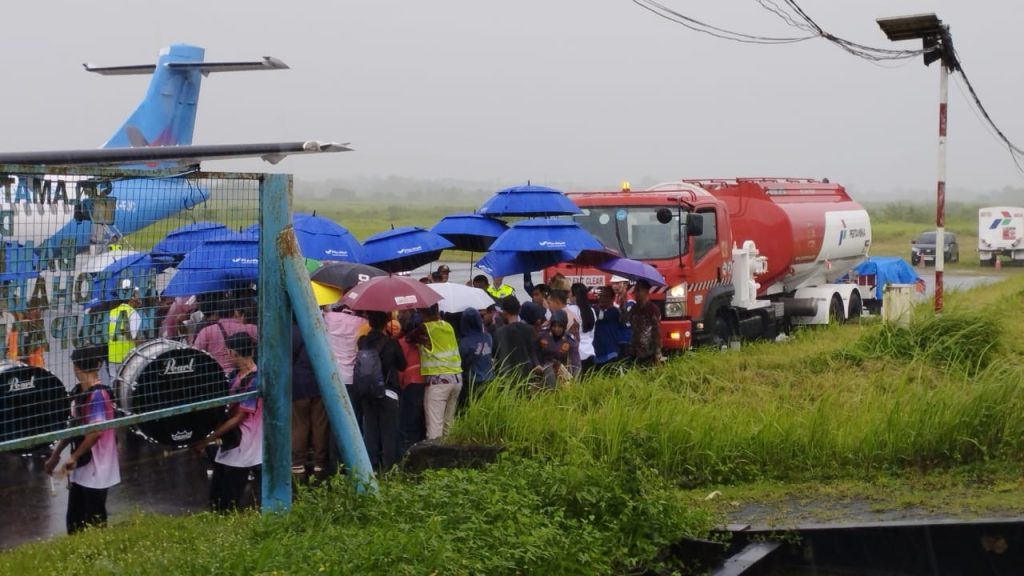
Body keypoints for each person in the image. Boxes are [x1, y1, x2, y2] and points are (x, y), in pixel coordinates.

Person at [45, 346, 120, 534]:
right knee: (74, 521)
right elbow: (74, 426)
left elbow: (95, 432)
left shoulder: (98, 396)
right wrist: (56, 454)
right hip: (82, 468)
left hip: (98, 468)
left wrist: (73, 457)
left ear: (76, 368)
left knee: (94, 521)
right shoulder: (79, 393)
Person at [193, 332, 262, 512]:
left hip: (245, 442)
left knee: (230, 491)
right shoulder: (235, 375)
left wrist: (207, 439)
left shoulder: (254, 380)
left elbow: (239, 417)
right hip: (235, 441)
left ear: (233, 353)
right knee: (221, 486)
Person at [358, 311, 406, 472]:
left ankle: (370, 467)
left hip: (367, 391)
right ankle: (389, 468)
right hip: (388, 391)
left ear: (369, 322)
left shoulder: (362, 341)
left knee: (370, 431)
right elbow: (402, 365)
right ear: (386, 322)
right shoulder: (391, 343)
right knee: (389, 432)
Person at [407, 304, 462, 440]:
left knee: (435, 425)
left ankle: (434, 457)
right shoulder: (448, 326)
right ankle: (451, 455)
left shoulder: (425, 328)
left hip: (439, 382)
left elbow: (409, 338)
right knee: (448, 423)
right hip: (456, 379)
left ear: (423, 314)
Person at [291, 322, 328, 479]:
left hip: (298, 383)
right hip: (320, 381)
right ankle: (320, 463)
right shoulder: (322, 327)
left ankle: (298, 463)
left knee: (300, 424)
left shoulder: (292, 331)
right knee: (320, 424)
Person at [193, 293, 258, 375]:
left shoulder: (206, 331)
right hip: (245, 374)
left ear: (218, 313)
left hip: (217, 376)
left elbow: (195, 354)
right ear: (235, 312)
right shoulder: (250, 328)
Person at [397, 311, 426, 454]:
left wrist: (400, 384)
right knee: (419, 419)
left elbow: (401, 368)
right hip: (424, 381)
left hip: (410, 384)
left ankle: (408, 451)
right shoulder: (423, 341)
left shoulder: (402, 343)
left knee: (408, 420)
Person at [492, 296, 540, 383]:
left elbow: (496, 356)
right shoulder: (529, 329)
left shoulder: (499, 332)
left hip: (507, 378)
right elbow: (533, 352)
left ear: (505, 312)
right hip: (526, 376)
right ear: (519, 310)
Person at [458, 307, 493, 407]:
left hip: (473, 382)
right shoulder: (488, 337)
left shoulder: (464, 343)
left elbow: (461, 363)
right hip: (489, 379)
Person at [535, 309, 579, 389]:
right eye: (554, 326)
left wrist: (574, 378)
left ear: (564, 326)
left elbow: (575, 362)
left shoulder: (569, 340)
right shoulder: (543, 335)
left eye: (559, 326)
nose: (556, 329)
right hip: (542, 371)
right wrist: (537, 364)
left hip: (561, 374)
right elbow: (533, 351)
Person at [106, 286, 143, 380]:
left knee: (114, 384)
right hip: (128, 359)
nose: (139, 298)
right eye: (137, 295)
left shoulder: (112, 312)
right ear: (131, 298)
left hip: (112, 357)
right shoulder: (133, 314)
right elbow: (136, 339)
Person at [630, 279, 662, 366]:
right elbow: (628, 324)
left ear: (645, 291)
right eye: (635, 290)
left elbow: (657, 331)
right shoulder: (634, 309)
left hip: (649, 352)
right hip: (635, 351)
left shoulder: (653, 309)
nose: (635, 293)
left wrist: (657, 353)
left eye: (638, 290)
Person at [568, 283, 596, 373]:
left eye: (569, 293)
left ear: (574, 295)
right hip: (590, 352)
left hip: (576, 354)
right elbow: (592, 334)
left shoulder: (570, 310)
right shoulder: (591, 311)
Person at [593, 287, 621, 367]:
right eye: (601, 296)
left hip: (610, 353)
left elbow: (602, 316)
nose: (602, 298)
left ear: (612, 298)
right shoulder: (595, 309)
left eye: (606, 296)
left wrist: (593, 308)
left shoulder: (614, 311)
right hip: (597, 354)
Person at [611, 276, 635, 360]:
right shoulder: (614, 299)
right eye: (613, 283)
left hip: (626, 339)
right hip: (615, 338)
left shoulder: (630, 302)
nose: (614, 286)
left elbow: (625, 322)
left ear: (625, 285)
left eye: (617, 283)